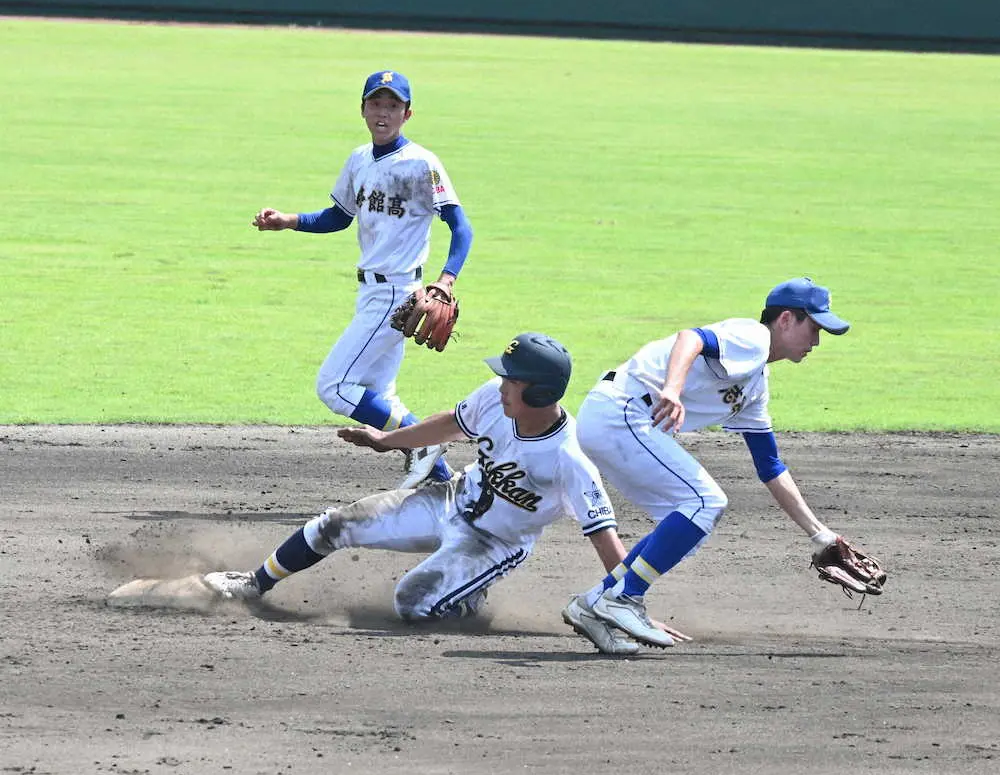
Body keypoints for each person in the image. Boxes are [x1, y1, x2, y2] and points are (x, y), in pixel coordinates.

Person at [203, 333, 641, 654]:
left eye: (513, 380)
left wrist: (626, 601)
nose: (502, 384)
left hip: (493, 544)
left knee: (412, 604)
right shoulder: (495, 398)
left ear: (541, 393)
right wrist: (389, 440)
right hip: (449, 499)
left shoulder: (571, 458)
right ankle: (254, 583)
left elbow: (604, 536)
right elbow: (453, 422)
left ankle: (468, 596)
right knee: (338, 523)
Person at [562, 277, 860, 653]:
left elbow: (769, 465)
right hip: (621, 410)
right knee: (706, 502)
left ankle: (593, 603)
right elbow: (691, 338)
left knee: (685, 523)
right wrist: (672, 388)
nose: (816, 341)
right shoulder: (753, 337)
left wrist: (819, 533)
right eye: (814, 327)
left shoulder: (755, 384)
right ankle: (623, 598)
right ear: (786, 319)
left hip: (619, 419)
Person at [252, 70, 473, 489]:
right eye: (376, 104)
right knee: (380, 396)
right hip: (370, 291)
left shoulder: (421, 164)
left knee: (334, 386)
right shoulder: (359, 159)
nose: (383, 113)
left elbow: (461, 228)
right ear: (363, 109)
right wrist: (288, 221)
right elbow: (339, 216)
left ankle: (422, 444)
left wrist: (446, 280)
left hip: (398, 294)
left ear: (408, 114)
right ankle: (446, 484)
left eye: (393, 105)